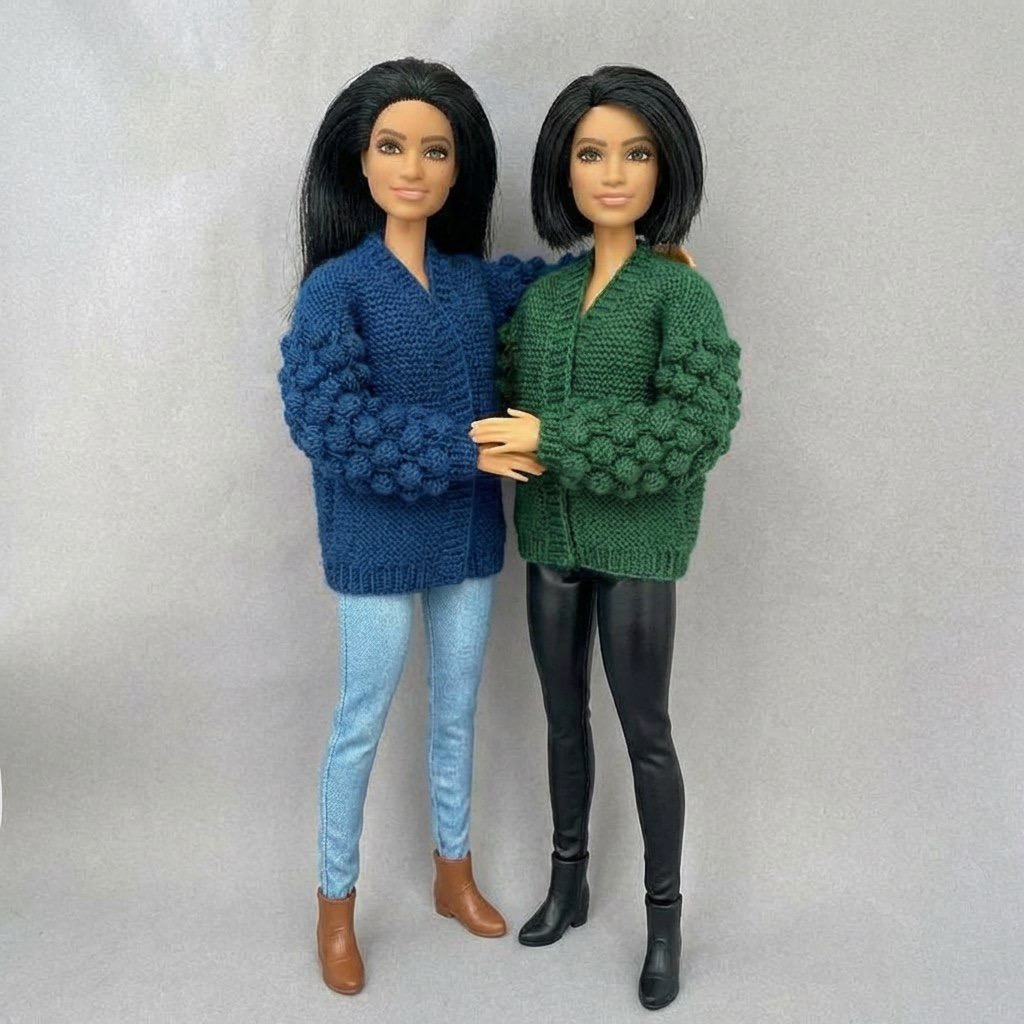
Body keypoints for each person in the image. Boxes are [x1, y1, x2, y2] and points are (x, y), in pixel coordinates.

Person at [470, 65, 742, 1010]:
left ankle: (664, 922)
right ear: (565, 168)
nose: (613, 174)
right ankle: (568, 882)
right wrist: (490, 439)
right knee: (562, 718)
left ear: (667, 168)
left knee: (645, 732)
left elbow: (693, 430)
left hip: (638, 550)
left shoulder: (679, 297)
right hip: (550, 542)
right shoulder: (546, 300)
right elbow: (503, 390)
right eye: (592, 154)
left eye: (636, 154)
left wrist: (553, 438)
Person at [278, 57, 550, 996]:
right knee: (361, 720)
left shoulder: (471, 283)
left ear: (457, 169)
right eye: (393, 146)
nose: (413, 167)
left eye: (435, 151)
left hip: (466, 540)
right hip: (376, 540)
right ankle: (336, 904)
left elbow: (551, 290)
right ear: (359, 160)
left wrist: (640, 256)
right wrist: (466, 450)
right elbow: (332, 424)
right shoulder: (337, 289)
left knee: (456, 709)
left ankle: (452, 871)